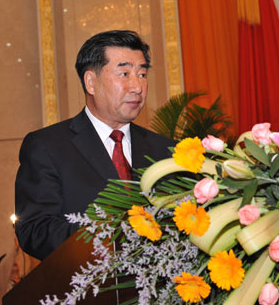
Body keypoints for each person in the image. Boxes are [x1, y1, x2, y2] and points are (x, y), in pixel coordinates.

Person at [15, 30, 175, 260]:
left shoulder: (166, 150)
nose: (137, 86)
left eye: (142, 74)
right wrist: (110, 238)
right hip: (88, 288)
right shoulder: (47, 147)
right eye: (124, 73)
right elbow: (35, 229)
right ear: (90, 82)